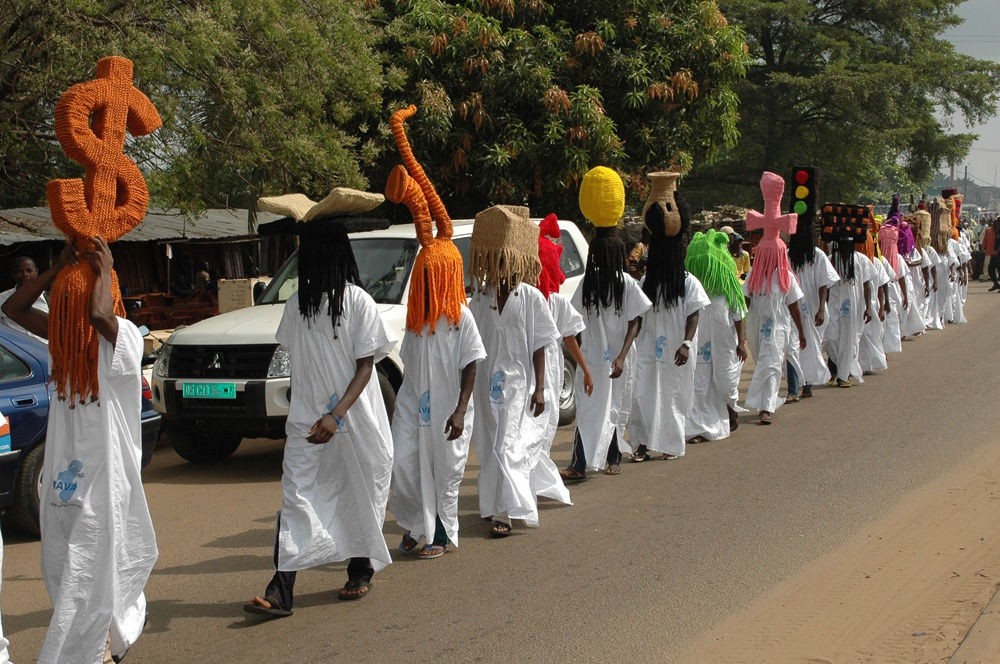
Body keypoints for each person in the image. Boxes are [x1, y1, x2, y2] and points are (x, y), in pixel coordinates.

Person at [4, 237, 156, 663]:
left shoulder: (123, 339)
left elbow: (98, 314)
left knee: (95, 555)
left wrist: (103, 269)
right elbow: (12, 310)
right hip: (64, 475)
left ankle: (100, 646)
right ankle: (93, 642)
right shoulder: (62, 346)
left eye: (69, 299)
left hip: (106, 473)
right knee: (63, 555)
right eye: (62, 302)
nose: (67, 310)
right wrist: (57, 270)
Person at [246, 208, 397, 614]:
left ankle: (360, 567)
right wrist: (301, 413)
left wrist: (336, 416)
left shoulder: (359, 303)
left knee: (357, 495)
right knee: (296, 499)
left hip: (354, 425)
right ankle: (281, 590)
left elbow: (367, 366)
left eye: (310, 250)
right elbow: (300, 363)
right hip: (306, 426)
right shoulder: (296, 306)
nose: (304, 259)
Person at [384, 104, 486, 559]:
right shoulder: (418, 323)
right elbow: (409, 369)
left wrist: (462, 410)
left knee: (443, 471)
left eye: (432, 274)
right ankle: (414, 525)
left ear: (446, 274)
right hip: (414, 406)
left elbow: (472, 364)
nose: (425, 280)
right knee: (403, 464)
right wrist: (407, 405)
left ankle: (440, 535)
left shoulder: (462, 318)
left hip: (449, 411)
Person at [468, 204, 559, 537]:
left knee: (507, 443)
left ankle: (506, 510)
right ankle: (493, 503)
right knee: (489, 444)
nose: (501, 267)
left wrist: (540, 387)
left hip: (518, 383)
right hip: (485, 384)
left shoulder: (531, 297)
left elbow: (540, 344)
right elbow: (473, 343)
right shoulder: (481, 299)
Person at [560, 167, 650, 479]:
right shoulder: (587, 285)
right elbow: (575, 324)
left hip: (617, 358)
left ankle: (612, 458)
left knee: (613, 407)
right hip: (596, 359)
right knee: (590, 409)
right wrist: (583, 359)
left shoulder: (626, 284)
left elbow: (635, 321)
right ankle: (580, 464)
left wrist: (623, 355)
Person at [629, 172, 710, 460]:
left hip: (677, 349)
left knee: (674, 394)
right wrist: (628, 347)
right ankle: (641, 443)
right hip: (649, 348)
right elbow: (636, 318)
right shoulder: (646, 284)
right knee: (642, 394)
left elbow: (694, 313)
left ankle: (670, 445)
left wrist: (687, 344)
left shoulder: (688, 282)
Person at [528, 214, 591, 504]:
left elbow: (569, 338)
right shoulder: (528, 300)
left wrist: (585, 370)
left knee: (544, 425)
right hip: (533, 370)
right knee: (534, 426)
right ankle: (530, 481)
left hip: (547, 369)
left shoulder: (555, 302)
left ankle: (533, 479)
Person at [741, 172, 806, 425]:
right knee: (762, 363)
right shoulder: (754, 277)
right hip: (757, 329)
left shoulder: (785, 277)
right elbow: (744, 302)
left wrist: (800, 332)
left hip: (778, 328)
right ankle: (763, 402)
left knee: (770, 364)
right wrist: (742, 331)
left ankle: (766, 407)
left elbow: (794, 305)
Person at [684, 229, 748, 441]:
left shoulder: (728, 290)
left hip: (725, 347)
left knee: (726, 383)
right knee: (700, 386)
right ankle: (700, 428)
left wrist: (742, 343)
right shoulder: (694, 290)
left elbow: (740, 316)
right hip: (701, 348)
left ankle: (730, 408)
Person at [786, 184, 839, 399]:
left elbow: (823, 283)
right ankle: (793, 388)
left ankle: (807, 383)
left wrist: (820, 309)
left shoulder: (817, 255)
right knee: (792, 346)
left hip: (814, 308)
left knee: (810, 346)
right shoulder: (787, 254)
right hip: (793, 308)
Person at [823, 205, 874, 387]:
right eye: (842, 243)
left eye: (848, 243)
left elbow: (868, 284)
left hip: (855, 306)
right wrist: (823, 308)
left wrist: (869, 307)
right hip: (834, 306)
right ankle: (835, 370)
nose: (845, 246)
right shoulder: (830, 260)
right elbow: (825, 286)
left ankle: (844, 375)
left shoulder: (861, 260)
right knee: (832, 338)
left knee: (850, 340)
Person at [0, 256, 49, 340]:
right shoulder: (2, 298)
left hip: (43, 351)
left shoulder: (49, 298)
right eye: (19, 271)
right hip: (13, 351)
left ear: (36, 272)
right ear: (13, 274)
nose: (25, 274)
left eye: (29, 271)